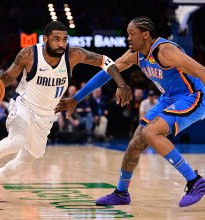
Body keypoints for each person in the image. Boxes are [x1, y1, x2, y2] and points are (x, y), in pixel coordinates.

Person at [55, 16, 205, 207]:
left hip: (193, 96)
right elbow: (107, 72)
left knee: (151, 132)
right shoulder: (136, 55)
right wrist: (76, 99)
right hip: (169, 98)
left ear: (146, 35)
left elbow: (201, 71)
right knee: (136, 142)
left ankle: (194, 181)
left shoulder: (165, 51)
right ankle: (121, 193)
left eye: (132, 34)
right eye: (128, 34)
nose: (128, 38)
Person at [0, 20, 132, 203]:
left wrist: (122, 83)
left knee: (23, 165)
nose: (61, 43)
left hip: (46, 115)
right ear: (45, 39)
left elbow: (106, 61)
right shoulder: (29, 54)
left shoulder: (73, 55)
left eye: (64, 39)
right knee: (16, 141)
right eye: (56, 39)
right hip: (23, 105)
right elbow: (7, 77)